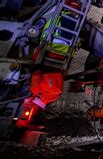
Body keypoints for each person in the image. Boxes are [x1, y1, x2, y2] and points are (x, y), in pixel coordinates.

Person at [16, 0, 82, 129]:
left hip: (46, 54)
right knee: (50, 90)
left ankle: (23, 116)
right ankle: (24, 118)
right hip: (55, 55)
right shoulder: (69, 19)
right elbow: (70, 38)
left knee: (40, 88)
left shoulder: (55, 14)